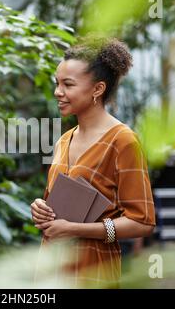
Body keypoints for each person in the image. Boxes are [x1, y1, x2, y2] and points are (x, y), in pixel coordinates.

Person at [31, 36, 156, 288]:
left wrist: (77, 229)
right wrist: (39, 207)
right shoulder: (64, 140)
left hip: (93, 272)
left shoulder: (123, 141)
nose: (58, 92)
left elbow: (142, 222)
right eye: (57, 83)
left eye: (68, 84)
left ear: (98, 89)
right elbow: (56, 206)